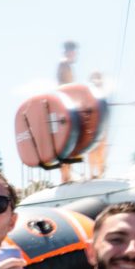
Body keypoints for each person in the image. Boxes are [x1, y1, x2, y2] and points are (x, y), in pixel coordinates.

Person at [57, 40, 79, 183]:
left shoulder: (65, 65)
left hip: (66, 106)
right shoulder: (64, 64)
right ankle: (65, 177)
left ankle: (67, 175)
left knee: (69, 142)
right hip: (65, 108)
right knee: (67, 141)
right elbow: (65, 87)